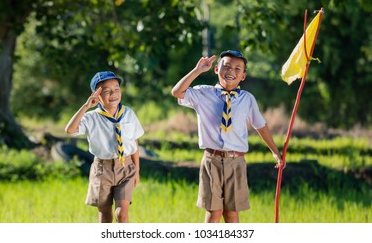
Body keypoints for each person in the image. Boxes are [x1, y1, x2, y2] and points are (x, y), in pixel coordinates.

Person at [171, 50, 285, 223]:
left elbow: (261, 126)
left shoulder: (247, 99)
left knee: (231, 214)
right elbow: (177, 92)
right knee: (214, 212)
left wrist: (275, 152)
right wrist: (197, 70)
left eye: (237, 69)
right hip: (212, 160)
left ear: (243, 76)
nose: (231, 71)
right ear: (217, 69)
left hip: (236, 162)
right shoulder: (203, 93)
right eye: (227, 66)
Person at [65, 71, 144, 223]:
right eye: (107, 91)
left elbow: (134, 142)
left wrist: (137, 170)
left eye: (116, 89)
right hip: (102, 169)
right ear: (97, 95)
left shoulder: (128, 113)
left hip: (126, 168)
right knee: (105, 215)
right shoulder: (91, 117)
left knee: (122, 214)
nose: (113, 94)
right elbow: (70, 130)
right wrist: (86, 106)